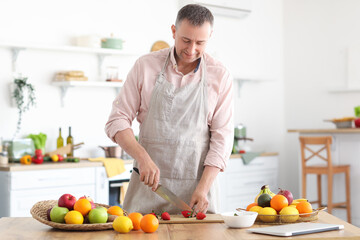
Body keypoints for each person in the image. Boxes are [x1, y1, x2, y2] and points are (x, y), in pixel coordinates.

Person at [105, 4, 233, 215]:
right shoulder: (145, 66)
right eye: (186, 40)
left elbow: (222, 140)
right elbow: (116, 121)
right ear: (174, 31)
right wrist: (143, 158)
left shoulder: (220, 75)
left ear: (210, 36)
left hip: (197, 196)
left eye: (200, 42)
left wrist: (203, 189)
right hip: (146, 192)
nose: (192, 50)